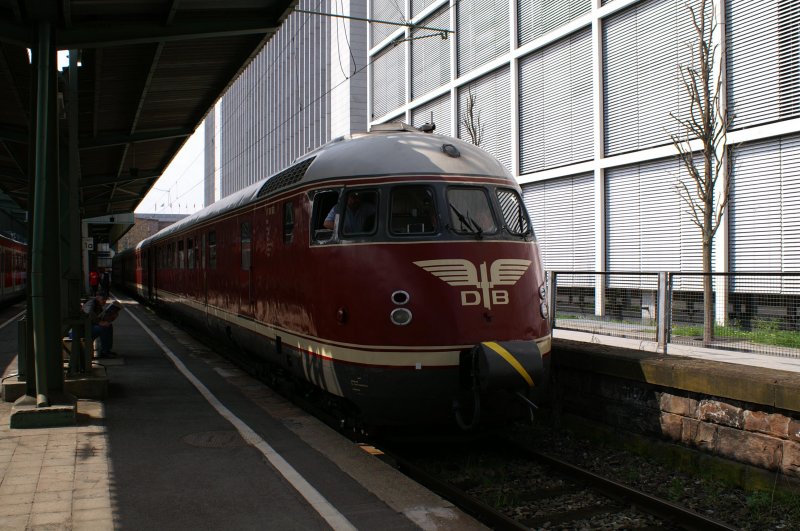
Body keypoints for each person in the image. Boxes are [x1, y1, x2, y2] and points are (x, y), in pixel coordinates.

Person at [82, 293, 120, 358]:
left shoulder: (98, 305)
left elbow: (101, 318)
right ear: (97, 297)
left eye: (105, 300)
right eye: (103, 299)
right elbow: (88, 312)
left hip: (90, 327)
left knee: (108, 326)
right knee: (104, 328)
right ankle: (104, 352)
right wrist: (99, 322)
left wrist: (112, 317)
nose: (104, 302)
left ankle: (107, 350)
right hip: (84, 328)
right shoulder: (91, 303)